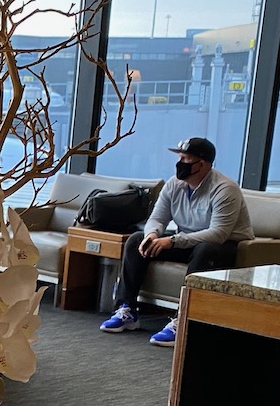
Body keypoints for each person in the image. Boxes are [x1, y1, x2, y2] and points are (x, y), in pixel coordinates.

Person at [99, 136, 253, 346]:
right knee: (137, 241)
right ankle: (127, 309)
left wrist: (172, 241)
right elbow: (157, 218)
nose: (180, 164)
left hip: (223, 246)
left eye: (186, 159)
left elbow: (218, 233)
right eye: (179, 158)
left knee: (205, 249)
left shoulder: (225, 189)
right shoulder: (174, 184)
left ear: (203, 164)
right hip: (186, 241)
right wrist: (152, 235)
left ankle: (184, 320)